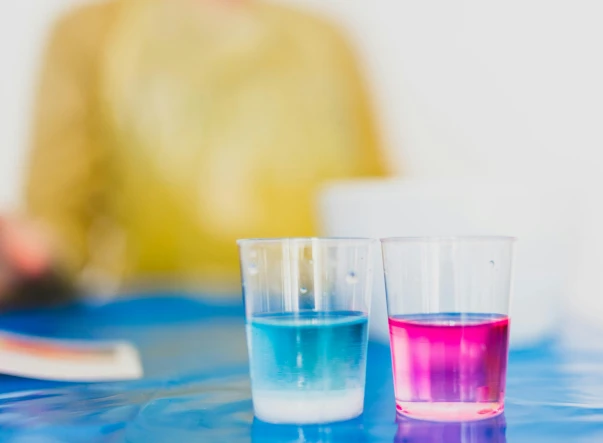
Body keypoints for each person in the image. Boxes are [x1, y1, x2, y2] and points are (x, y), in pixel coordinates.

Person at [0, 0, 386, 309]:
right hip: (157, 341)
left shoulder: (327, 41)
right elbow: (59, 224)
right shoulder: (87, 35)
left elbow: (376, 205)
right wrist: (30, 257)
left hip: (315, 329)